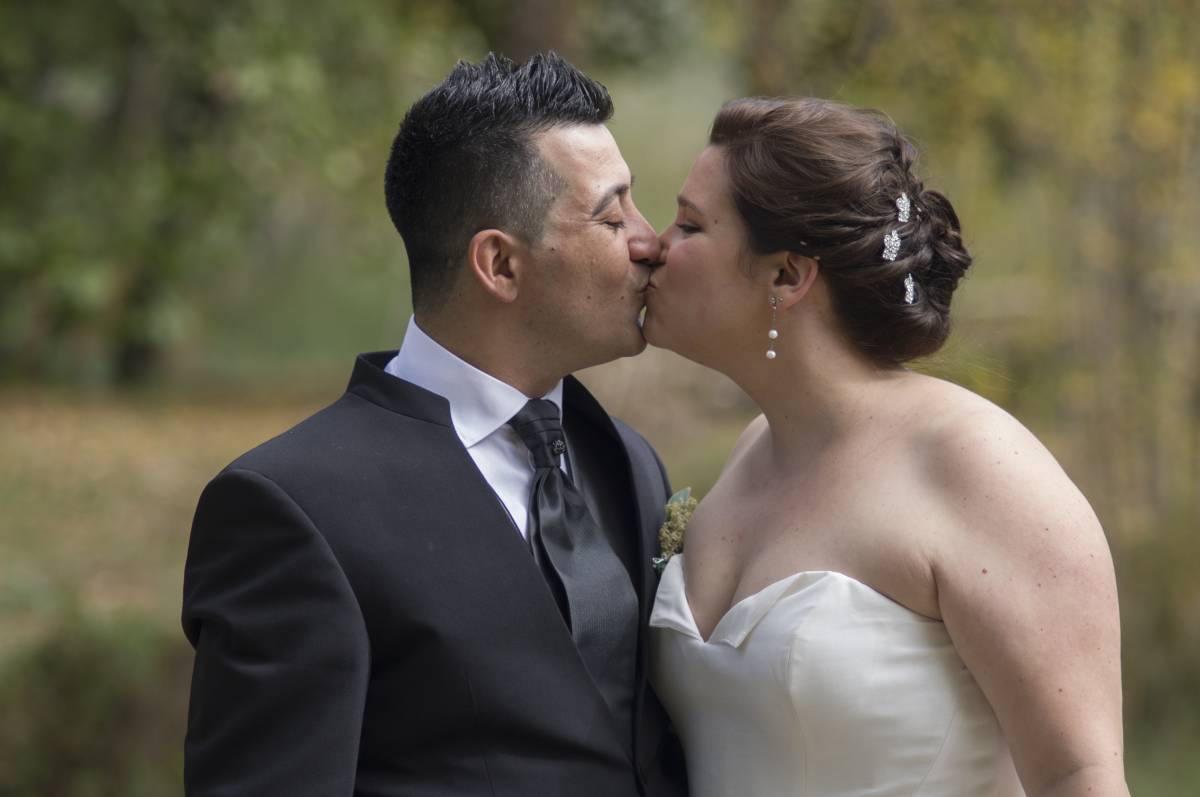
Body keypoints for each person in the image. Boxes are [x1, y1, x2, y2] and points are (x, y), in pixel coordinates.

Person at [181, 52, 687, 797]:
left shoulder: (627, 461)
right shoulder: (293, 505)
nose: (652, 241)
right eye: (612, 216)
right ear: (500, 265)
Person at [642, 97, 1128, 797]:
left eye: (689, 224)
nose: (654, 244)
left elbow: (1078, 778)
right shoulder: (752, 453)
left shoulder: (979, 465)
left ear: (786, 276)